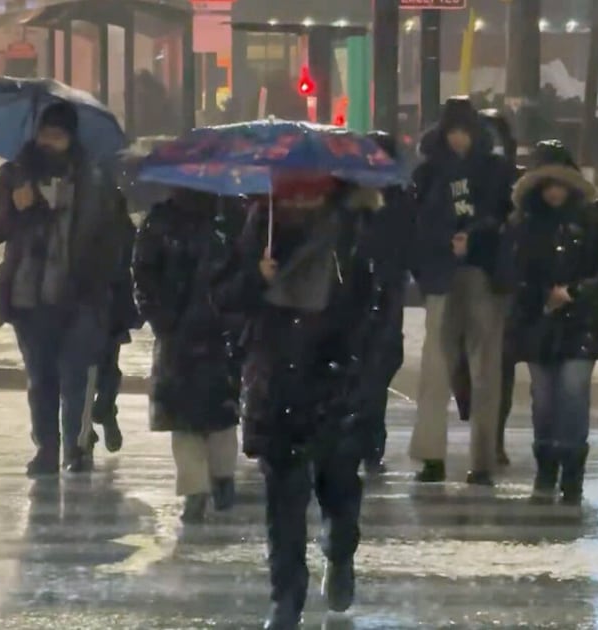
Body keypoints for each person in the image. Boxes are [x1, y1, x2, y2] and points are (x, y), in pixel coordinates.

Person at [213, 176, 380, 629]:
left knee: (340, 488)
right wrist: (256, 277)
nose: (300, 201)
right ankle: (285, 598)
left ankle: (340, 552)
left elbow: (374, 308)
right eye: (293, 193)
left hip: (334, 380)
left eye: (309, 193)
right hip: (275, 380)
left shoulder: (350, 234)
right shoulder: (257, 228)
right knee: (283, 503)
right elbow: (224, 296)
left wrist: (356, 366)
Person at [0, 101, 126, 476]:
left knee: (75, 377)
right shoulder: (14, 175)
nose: (49, 142)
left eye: (58, 136)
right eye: (45, 134)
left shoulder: (94, 180)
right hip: (30, 297)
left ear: (71, 138)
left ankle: (75, 447)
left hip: (81, 297)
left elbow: (117, 236)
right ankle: (46, 448)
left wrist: (104, 284)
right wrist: (12, 206)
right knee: (41, 379)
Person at [505, 140, 598, 505]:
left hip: (581, 320)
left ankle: (572, 473)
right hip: (538, 323)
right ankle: (546, 467)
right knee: (544, 399)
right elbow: (511, 270)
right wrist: (541, 297)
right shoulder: (524, 223)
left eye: (559, 184)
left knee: (573, 392)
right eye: (547, 185)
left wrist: (575, 292)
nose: (554, 192)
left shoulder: (594, 217)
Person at [408, 97, 514, 485]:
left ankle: (482, 459)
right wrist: (441, 245)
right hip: (441, 273)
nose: (458, 139)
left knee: (485, 367)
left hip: (482, 272)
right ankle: (431, 456)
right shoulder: (428, 174)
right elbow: (417, 224)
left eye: (464, 131)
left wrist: (475, 236)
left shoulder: (494, 171)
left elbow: (505, 216)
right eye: (453, 131)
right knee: (437, 367)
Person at [133, 189, 242, 523]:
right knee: (213, 416)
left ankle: (211, 483)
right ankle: (207, 485)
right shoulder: (230, 217)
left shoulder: (226, 219)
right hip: (197, 333)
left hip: (201, 332)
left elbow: (143, 275)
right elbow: (144, 275)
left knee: (204, 418)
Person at [349, 130, 417, 475]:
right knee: (358, 371)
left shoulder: (401, 201)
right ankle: (362, 440)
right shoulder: (350, 202)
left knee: (375, 370)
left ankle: (370, 442)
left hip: (385, 293)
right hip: (355, 295)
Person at [89, 188, 142, 454]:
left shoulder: (112, 203)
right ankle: (98, 416)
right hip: (94, 300)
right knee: (99, 367)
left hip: (109, 300)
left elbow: (133, 249)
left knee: (104, 367)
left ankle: (103, 411)